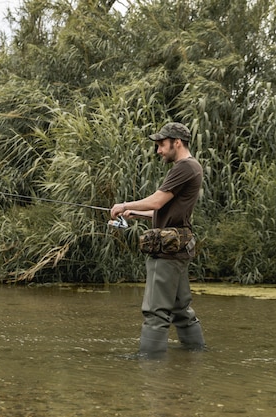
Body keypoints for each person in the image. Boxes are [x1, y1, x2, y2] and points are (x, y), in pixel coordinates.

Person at [110, 122, 205, 357]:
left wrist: (123, 205)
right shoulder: (193, 168)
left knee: (155, 311)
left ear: (177, 142)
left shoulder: (184, 167)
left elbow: (156, 201)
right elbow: (162, 210)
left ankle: (148, 362)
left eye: (162, 144)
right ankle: (195, 355)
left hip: (167, 253)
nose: (159, 150)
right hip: (179, 249)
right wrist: (135, 213)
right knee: (180, 309)